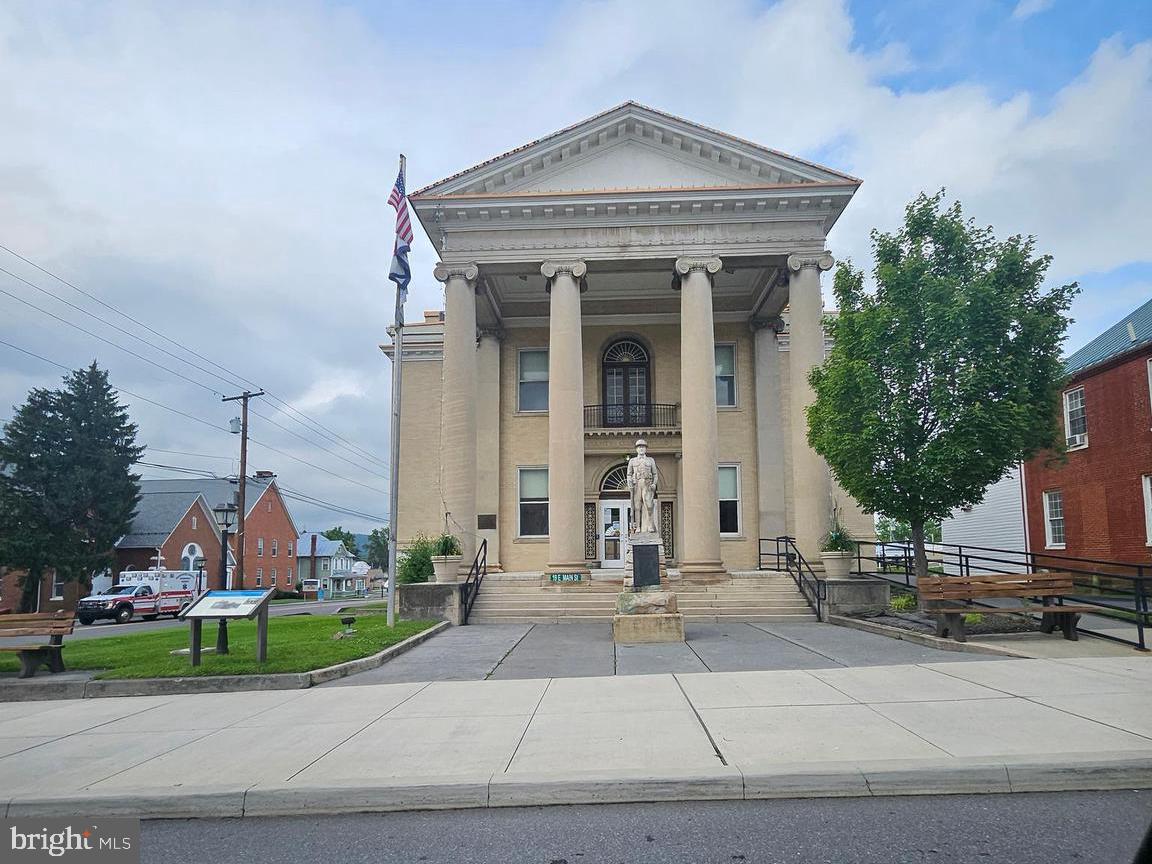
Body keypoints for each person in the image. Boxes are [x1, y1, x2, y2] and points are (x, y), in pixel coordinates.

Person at [626, 438, 659, 534]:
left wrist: (654, 484)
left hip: (647, 484)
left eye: (643, 447)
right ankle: (638, 527)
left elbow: (655, 474)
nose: (641, 449)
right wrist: (629, 483)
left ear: (646, 449)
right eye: (639, 447)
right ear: (636, 449)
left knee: (648, 505)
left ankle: (649, 525)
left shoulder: (650, 460)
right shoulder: (632, 461)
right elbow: (629, 474)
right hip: (637, 484)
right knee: (637, 507)